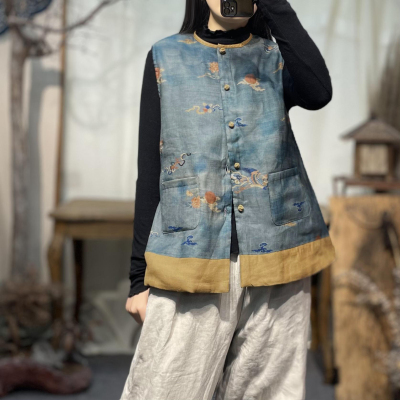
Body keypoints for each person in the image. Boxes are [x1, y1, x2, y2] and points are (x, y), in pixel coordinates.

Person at [121, 0, 336, 398]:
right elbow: (150, 170)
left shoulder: (274, 56)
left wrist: (274, 6)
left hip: (279, 258)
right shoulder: (166, 55)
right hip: (189, 257)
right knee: (164, 388)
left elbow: (319, 93)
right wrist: (138, 279)